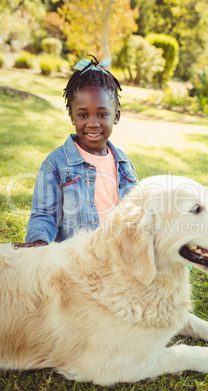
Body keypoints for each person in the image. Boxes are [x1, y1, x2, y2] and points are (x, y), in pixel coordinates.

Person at [14, 55, 138, 248]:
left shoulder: (123, 164)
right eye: (83, 115)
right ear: (72, 116)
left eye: (102, 114)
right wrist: (39, 242)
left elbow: (136, 212)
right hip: (80, 259)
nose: (93, 123)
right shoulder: (56, 163)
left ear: (116, 116)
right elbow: (44, 214)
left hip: (120, 255)